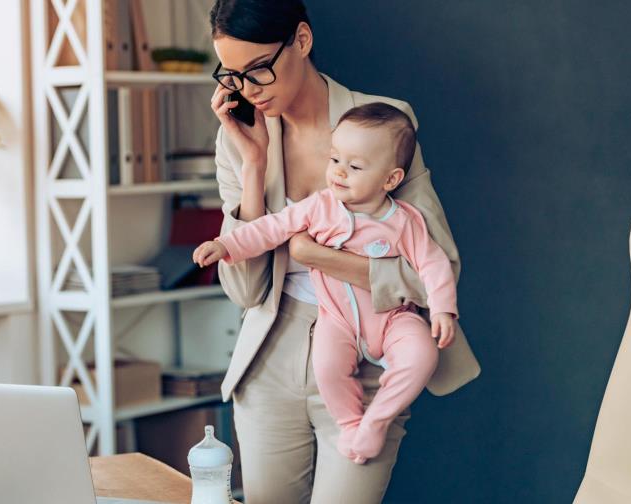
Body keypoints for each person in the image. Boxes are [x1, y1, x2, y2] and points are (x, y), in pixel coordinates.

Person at [207, 0, 481, 502]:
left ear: (302, 41)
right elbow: (246, 291)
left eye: (259, 70)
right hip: (270, 359)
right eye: (232, 76)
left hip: (370, 358)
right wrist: (252, 165)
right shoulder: (238, 140)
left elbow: (435, 267)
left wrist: (318, 257)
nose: (248, 90)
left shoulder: (385, 124)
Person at [195, 102, 458, 465]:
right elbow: (271, 228)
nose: (338, 173)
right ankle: (351, 424)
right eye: (335, 160)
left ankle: (376, 419)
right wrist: (225, 245)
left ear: (391, 179)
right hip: (336, 320)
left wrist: (443, 309)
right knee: (327, 365)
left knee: (422, 355)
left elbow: (434, 263)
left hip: (394, 317)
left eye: (355, 166)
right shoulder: (319, 206)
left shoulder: (404, 220)